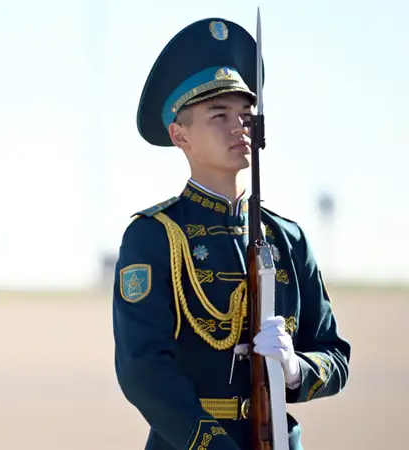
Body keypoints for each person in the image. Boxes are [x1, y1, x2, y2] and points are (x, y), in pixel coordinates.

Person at [111, 17, 350, 450]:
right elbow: (142, 369)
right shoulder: (154, 236)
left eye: (245, 113)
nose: (239, 125)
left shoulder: (288, 240)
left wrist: (295, 370)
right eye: (218, 115)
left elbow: (335, 356)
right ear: (179, 135)